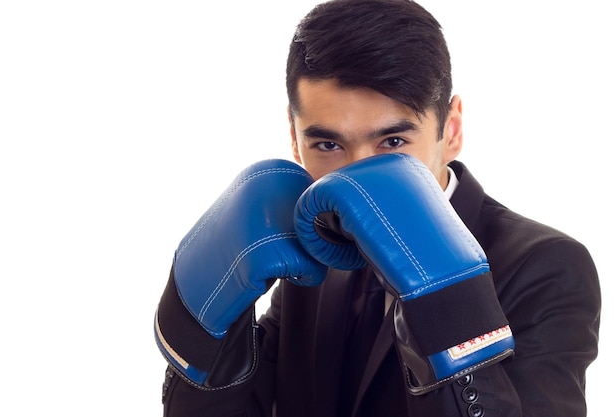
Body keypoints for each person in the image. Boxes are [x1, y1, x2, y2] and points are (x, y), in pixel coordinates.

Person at [153, 0, 601, 416]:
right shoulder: (306, 257)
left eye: (392, 142)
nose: (356, 177)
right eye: (328, 144)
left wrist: (448, 312)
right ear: (294, 138)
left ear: (452, 129)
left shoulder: (547, 267)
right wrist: (204, 329)